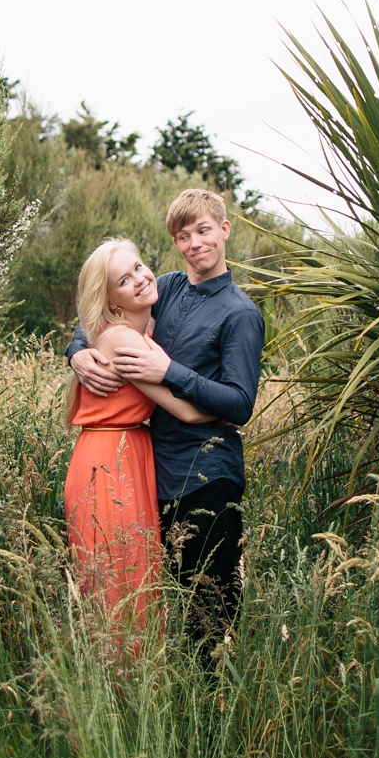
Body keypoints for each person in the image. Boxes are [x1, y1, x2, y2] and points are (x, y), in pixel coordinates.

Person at [68, 189, 264, 641]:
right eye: (183, 235)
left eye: (204, 230)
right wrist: (76, 352)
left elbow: (240, 404)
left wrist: (168, 369)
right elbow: (102, 315)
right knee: (154, 598)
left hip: (208, 476)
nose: (195, 243)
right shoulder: (169, 286)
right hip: (154, 473)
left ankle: (214, 706)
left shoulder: (241, 314)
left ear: (224, 230)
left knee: (211, 613)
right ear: (175, 243)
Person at [63, 237, 222, 626]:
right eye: (123, 280)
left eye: (138, 266)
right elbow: (183, 410)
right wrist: (229, 413)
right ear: (112, 301)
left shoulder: (138, 324)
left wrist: (75, 350)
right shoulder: (124, 339)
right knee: (118, 575)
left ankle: (130, 676)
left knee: (132, 571)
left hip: (126, 451)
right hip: (109, 461)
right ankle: (117, 678)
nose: (138, 278)